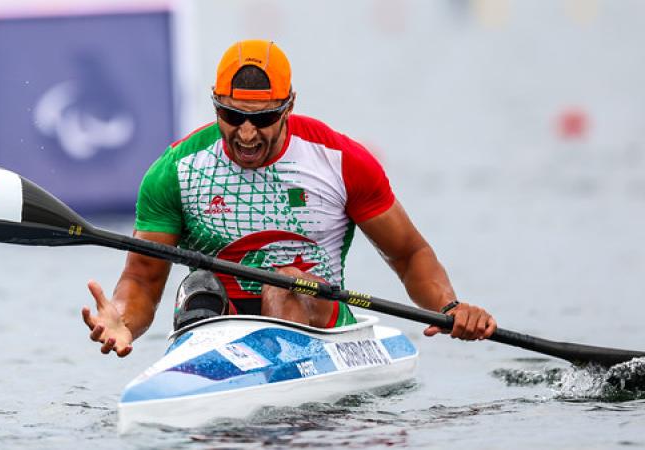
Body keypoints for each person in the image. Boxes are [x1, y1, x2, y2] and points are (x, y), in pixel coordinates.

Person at [81, 39, 496, 357]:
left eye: (261, 118)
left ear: (289, 106)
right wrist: (125, 319)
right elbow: (142, 278)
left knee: (282, 286)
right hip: (221, 325)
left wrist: (450, 306)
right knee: (197, 288)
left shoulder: (340, 161)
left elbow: (408, 254)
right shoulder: (176, 170)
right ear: (214, 104)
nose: (245, 134)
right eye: (231, 115)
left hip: (319, 320)